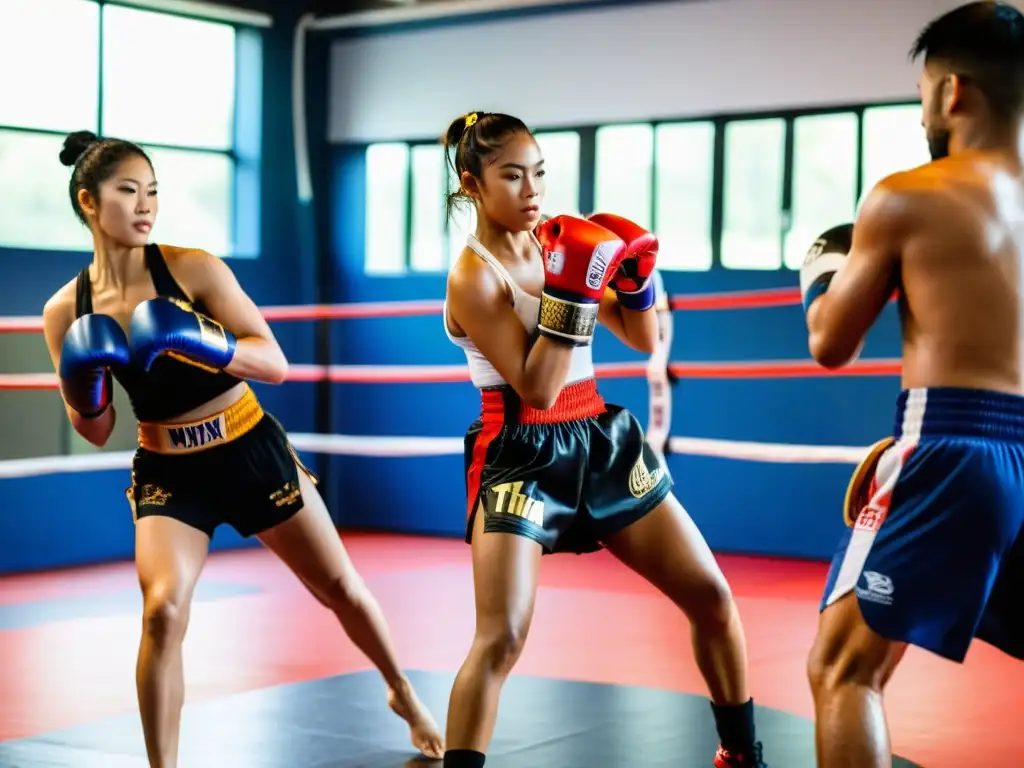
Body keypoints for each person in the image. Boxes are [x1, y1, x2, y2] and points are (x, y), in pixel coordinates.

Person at [41, 130, 444, 767]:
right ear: (89, 201)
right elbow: (93, 428)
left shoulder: (193, 268)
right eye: (128, 191)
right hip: (170, 469)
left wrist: (205, 341)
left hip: (249, 448)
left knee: (339, 585)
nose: (146, 205)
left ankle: (401, 690)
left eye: (153, 192)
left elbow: (276, 363)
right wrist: (84, 384)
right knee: (162, 612)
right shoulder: (67, 310)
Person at [439, 111, 768, 768]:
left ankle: (741, 756)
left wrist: (634, 279)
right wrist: (573, 291)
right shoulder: (473, 277)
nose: (532, 190)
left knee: (711, 596)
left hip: (599, 437)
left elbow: (644, 341)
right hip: (520, 451)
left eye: (539, 173)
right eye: (511, 176)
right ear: (471, 184)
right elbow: (536, 387)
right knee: (500, 637)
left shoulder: (559, 243)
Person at [799, 3, 1024, 765]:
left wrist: (821, 274)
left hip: (952, 448)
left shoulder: (909, 195)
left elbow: (830, 342)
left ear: (953, 92)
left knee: (842, 670)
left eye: (925, 91)